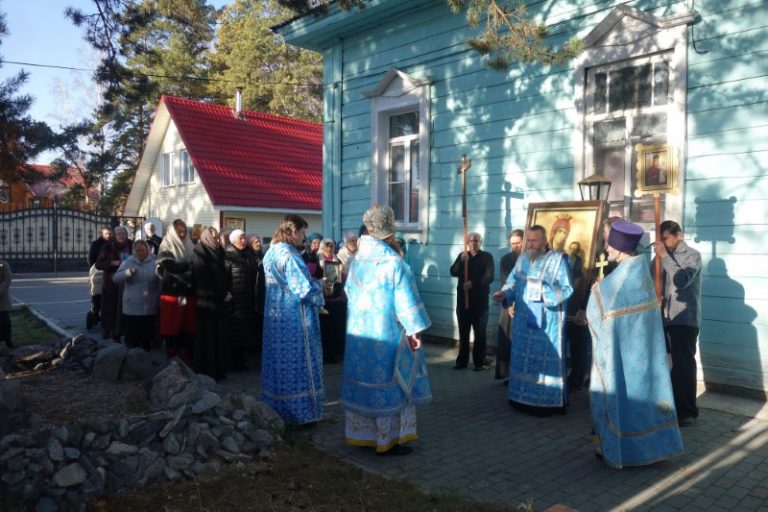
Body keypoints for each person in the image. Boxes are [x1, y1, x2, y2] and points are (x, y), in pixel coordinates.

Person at [587, 219, 683, 467]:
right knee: (647, 394)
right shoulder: (640, 272)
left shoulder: (620, 278)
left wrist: (597, 290)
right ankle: (654, 447)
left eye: (610, 245)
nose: (607, 249)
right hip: (644, 355)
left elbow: (599, 311)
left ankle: (627, 451)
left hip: (624, 355)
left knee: (626, 398)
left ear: (619, 248)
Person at [341, 204, 431, 456]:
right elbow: (407, 302)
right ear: (389, 232)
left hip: (360, 335)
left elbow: (348, 292)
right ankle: (387, 440)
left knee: (365, 380)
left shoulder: (357, 260)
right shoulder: (394, 262)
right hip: (388, 335)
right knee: (391, 382)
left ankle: (363, 436)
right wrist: (414, 331)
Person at [492, 225, 573, 414]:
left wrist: (545, 294)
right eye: (528, 240)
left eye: (534, 240)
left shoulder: (557, 260)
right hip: (523, 323)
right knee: (522, 360)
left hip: (546, 324)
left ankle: (545, 403)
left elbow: (567, 288)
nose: (530, 244)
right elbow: (512, 284)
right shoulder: (522, 260)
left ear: (545, 241)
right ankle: (520, 399)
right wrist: (504, 294)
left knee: (545, 361)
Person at [260, 214, 326, 425]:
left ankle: (276, 410)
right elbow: (304, 290)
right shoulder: (289, 255)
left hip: (275, 317)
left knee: (278, 363)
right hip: (295, 319)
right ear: (292, 232)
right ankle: (301, 413)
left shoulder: (271, 252)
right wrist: (321, 287)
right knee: (298, 363)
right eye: (303, 232)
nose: (305, 237)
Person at [653, 220, 702, 427]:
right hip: (662, 318)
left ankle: (687, 411)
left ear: (678, 235)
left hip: (684, 318)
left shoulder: (692, 255)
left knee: (683, 366)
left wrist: (664, 257)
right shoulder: (660, 256)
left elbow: (682, 280)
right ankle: (668, 407)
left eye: (666, 238)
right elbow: (650, 281)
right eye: (661, 239)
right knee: (664, 365)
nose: (663, 243)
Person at [449, 231, 494, 370]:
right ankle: (461, 362)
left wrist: (473, 283)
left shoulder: (486, 257)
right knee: (463, 333)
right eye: (471, 241)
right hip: (463, 302)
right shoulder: (463, 256)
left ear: (480, 242)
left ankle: (479, 362)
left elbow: (489, 277)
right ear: (467, 243)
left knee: (480, 334)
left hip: (480, 303)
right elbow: (453, 272)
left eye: (476, 241)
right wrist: (460, 262)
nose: (473, 243)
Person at [192, 227, 233, 381]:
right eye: (214, 238)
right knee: (207, 338)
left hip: (219, 303)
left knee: (218, 338)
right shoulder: (200, 255)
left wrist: (227, 291)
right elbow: (203, 281)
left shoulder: (219, 252)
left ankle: (218, 370)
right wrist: (221, 295)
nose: (216, 240)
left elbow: (225, 275)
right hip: (207, 303)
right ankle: (207, 371)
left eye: (217, 238)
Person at [156, 219, 196, 362]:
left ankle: (184, 351)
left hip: (186, 292)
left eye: (184, 231)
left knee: (186, 323)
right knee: (170, 324)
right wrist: (189, 265)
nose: (182, 234)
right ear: (173, 232)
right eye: (179, 232)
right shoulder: (166, 245)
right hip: (172, 292)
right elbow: (170, 267)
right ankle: (171, 351)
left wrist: (189, 266)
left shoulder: (190, 245)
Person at [112, 240, 160, 351]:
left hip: (150, 306)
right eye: (138, 250)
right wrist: (127, 273)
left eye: (142, 250)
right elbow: (115, 278)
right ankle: (132, 355)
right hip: (132, 307)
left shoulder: (155, 261)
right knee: (133, 338)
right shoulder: (129, 261)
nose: (140, 253)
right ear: (134, 251)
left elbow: (161, 280)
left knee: (147, 337)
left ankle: (146, 355)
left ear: (147, 250)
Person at [225, 229, 258, 368]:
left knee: (244, 331)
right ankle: (233, 361)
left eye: (245, 238)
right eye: (241, 238)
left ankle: (241, 359)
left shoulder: (248, 254)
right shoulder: (228, 255)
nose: (244, 241)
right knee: (235, 331)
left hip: (247, 298)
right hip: (235, 299)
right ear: (233, 241)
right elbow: (225, 277)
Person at [95, 226, 133, 341]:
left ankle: (126, 332)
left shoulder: (132, 245)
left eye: (123, 233)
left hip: (129, 281)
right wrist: (112, 262)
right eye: (118, 234)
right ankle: (111, 332)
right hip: (111, 282)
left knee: (126, 307)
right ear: (114, 235)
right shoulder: (107, 247)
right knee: (111, 308)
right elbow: (98, 264)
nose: (121, 236)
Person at [495, 229, 523, 381]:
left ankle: (518, 374)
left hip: (526, 305)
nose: (515, 246)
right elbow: (504, 281)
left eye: (518, 243)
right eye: (512, 244)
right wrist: (510, 304)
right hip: (508, 303)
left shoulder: (530, 258)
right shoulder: (506, 259)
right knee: (506, 338)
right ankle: (505, 374)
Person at [318, 238, 346, 364]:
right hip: (323, 298)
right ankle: (324, 354)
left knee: (334, 327)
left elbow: (340, 277)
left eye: (331, 246)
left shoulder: (336, 260)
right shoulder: (317, 258)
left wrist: (341, 272)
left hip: (334, 298)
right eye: (327, 246)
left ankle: (332, 353)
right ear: (322, 247)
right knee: (324, 327)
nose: (329, 248)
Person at [87, 227, 111, 329]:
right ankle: (95, 313)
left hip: (110, 272)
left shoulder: (113, 244)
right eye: (106, 234)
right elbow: (91, 258)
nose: (108, 235)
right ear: (101, 234)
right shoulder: (96, 244)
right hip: (98, 272)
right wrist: (94, 269)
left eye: (110, 234)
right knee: (97, 294)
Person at [249, 234, 267, 359]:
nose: (259, 243)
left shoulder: (263, 256)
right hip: (250, 293)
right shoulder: (248, 257)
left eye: (259, 241)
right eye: (256, 242)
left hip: (261, 292)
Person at [0, 258, 12, 348]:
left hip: (2, 300)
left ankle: (8, 340)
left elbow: (7, 279)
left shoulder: (3, 264)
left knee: (5, 321)